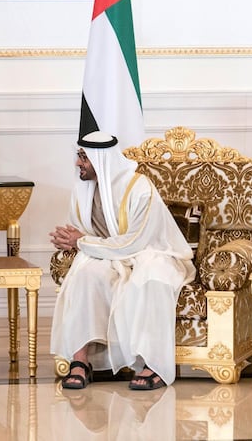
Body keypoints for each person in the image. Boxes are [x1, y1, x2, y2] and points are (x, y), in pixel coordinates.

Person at [49, 131, 195, 391]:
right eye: (79, 156)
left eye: (84, 157)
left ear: (101, 159)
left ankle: (153, 364)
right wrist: (70, 240)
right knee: (85, 273)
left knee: (151, 275)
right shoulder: (83, 189)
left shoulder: (139, 187)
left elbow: (135, 242)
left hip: (153, 253)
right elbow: (84, 233)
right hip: (110, 254)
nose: (77, 163)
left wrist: (81, 242)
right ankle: (80, 361)